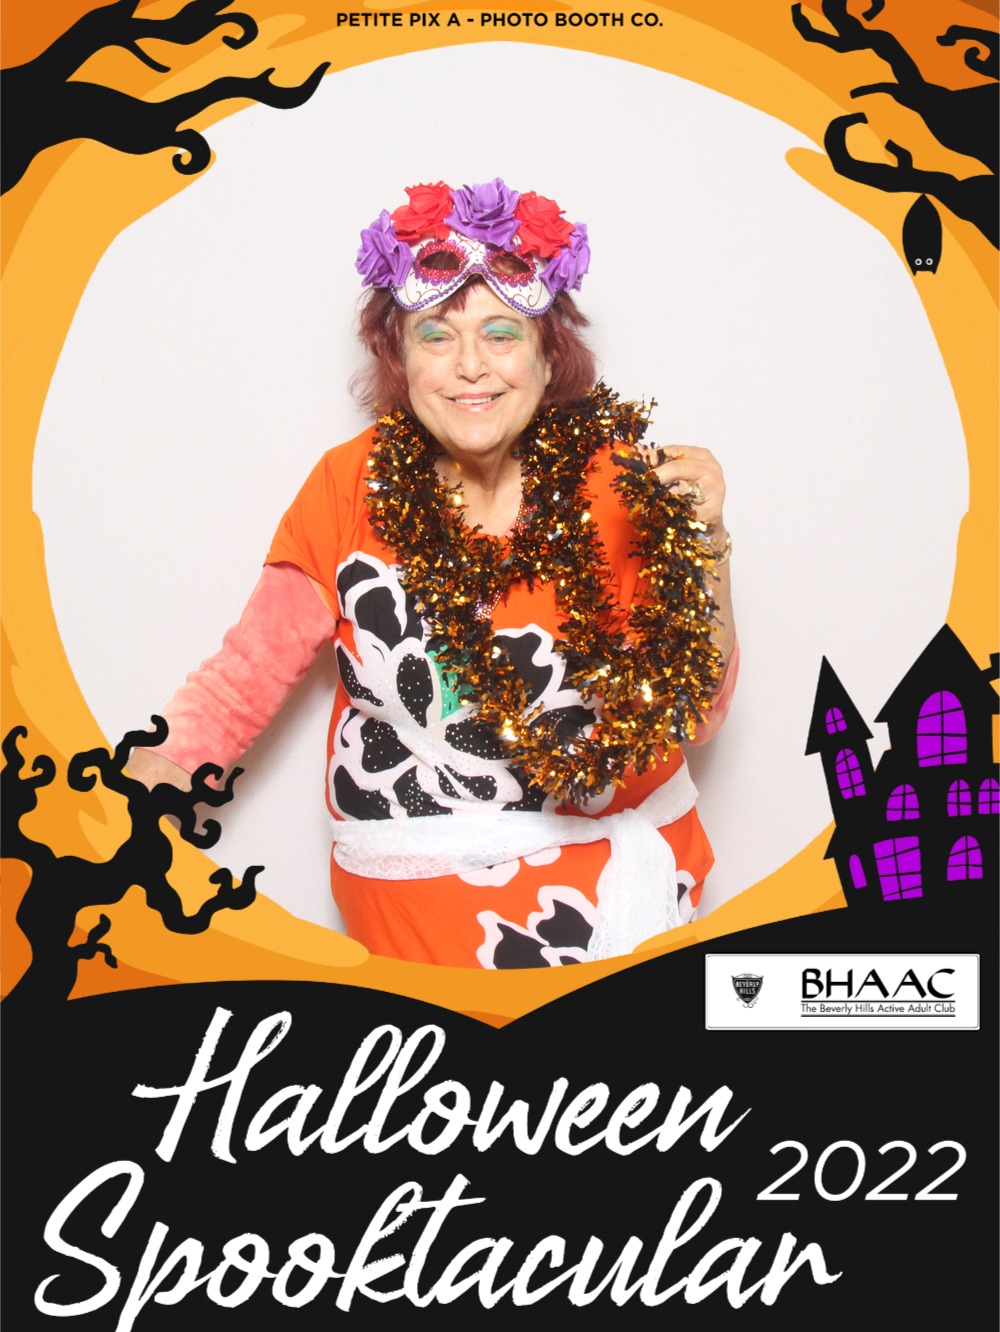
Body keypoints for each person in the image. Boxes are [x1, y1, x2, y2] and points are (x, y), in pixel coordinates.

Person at [129, 177, 738, 969]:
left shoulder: (626, 485)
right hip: (412, 932)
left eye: (501, 334)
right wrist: (107, 832)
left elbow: (697, 711)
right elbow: (237, 687)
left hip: (620, 908)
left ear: (548, 355)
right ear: (401, 359)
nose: (470, 368)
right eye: (436, 337)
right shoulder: (347, 484)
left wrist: (706, 543)